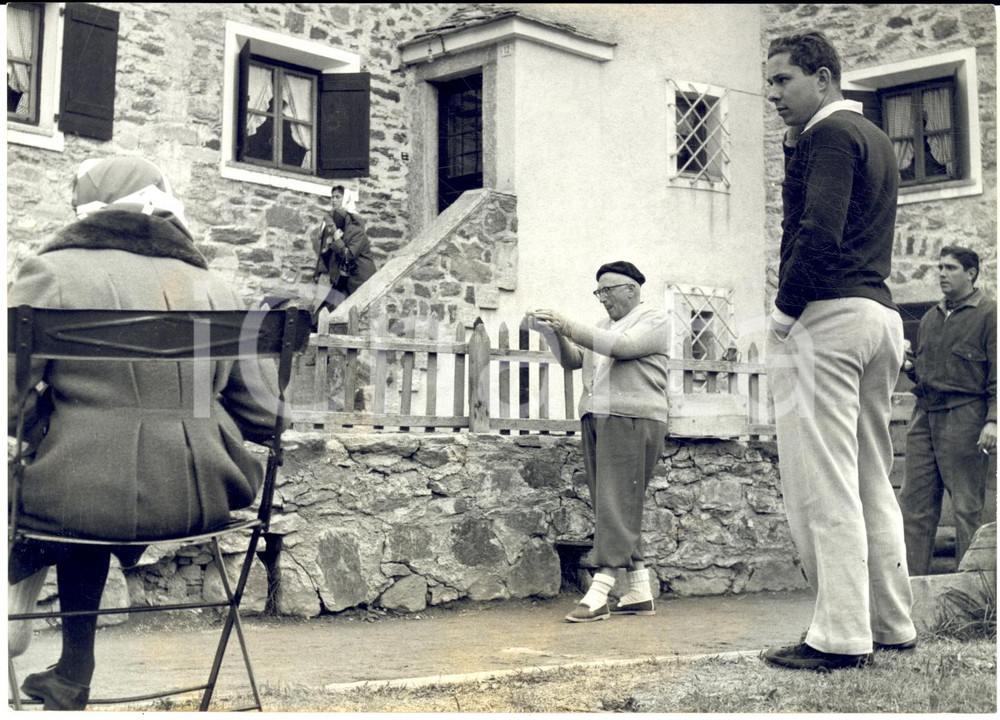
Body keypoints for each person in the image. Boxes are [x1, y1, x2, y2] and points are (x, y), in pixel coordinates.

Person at [7, 156, 280, 710]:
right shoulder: (216, 287)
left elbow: (9, 399)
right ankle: (70, 671)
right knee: (92, 487)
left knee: (75, 485)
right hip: (199, 500)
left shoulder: (48, 274)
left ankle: (16, 619)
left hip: (78, 497)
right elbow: (266, 418)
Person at [761, 30, 917, 671]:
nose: (772, 95)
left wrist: (783, 312)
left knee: (827, 484)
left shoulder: (829, 135)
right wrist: (793, 150)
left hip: (831, 314)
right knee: (870, 478)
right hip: (880, 317)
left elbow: (815, 231)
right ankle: (893, 625)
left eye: (782, 81)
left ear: (822, 78)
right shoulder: (872, 137)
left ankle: (840, 637)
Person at [528, 261, 669, 623]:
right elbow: (573, 361)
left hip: (633, 419)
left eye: (608, 290)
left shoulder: (653, 319)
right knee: (612, 505)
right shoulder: (603, 327)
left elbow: (621, 348)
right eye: (599, 292)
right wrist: (552, 333)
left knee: (615, 504)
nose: (603, 298)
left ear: (631, 289)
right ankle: (639, 590)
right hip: (599, 417)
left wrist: (567, 324)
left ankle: (600, 591)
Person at [899, 246, 997, 575]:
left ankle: (970, 596)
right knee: (915, 505)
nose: (941, 273)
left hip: (965, 416)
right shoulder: (929, 318)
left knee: (967, 507)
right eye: (939, 267)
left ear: (971, 273)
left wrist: (993, 420)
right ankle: (911, 596)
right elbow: (925, 372)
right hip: (925, 416)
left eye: (950, 268)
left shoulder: (989, 314)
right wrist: (909, 366)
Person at [310, 185, 376, 316]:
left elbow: (348, 254)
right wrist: (327, 248)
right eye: (332, 197)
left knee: (345, 315)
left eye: (338, 197)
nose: (333, 200)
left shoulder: (355, 226)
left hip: (356, 279)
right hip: (339, 276)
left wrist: (336, 239)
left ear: (345, 199)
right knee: (326, 314)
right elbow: (330, 255)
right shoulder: (331, 222)